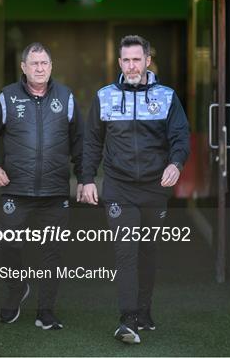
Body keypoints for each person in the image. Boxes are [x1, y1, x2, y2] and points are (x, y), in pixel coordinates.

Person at [81, 35, 190, 344]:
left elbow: (180, 136)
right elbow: (91, 141)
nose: (131, 65)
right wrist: (88, 179)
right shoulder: (104, 97)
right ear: (119, 63)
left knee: (148, 251)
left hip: (155, 189)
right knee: (126, 252)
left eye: (136, 59)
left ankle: (144, 310)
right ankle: (127, 319)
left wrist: (176, 164)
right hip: (119, 188)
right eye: (126, 60)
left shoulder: (167, 97)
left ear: (147, 61)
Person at [0, 42, 84, 328]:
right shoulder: (7, 97)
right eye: (34, 64)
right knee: (8, 244)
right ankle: (16, 289)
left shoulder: (66, 97)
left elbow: (79, 143)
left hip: (55, 191)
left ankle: (45, 311)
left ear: (51, 66)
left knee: (53, 252)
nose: (40, 68)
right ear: (23, 67)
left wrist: (85, 179)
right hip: (16, 190)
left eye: (45, 63)